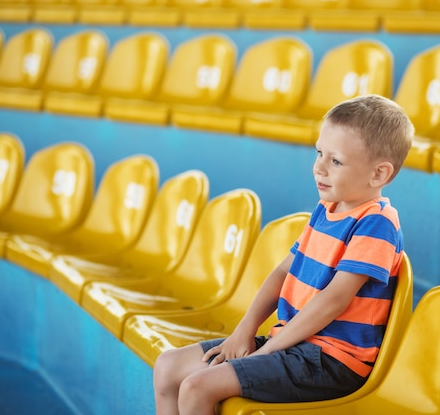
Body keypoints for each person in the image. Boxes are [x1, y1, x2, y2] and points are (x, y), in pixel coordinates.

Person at [153, 94, 415, 415]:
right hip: (293, 345)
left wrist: (269, 351)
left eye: (336, 161)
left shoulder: (377, 222)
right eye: (319, 153)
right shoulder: (326, 210)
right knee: (168, 367)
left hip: (331, 361)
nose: (319, 167)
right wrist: (244, 332)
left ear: (378, 174)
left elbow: (334, 299)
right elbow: (282, 273)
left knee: (198, 386)